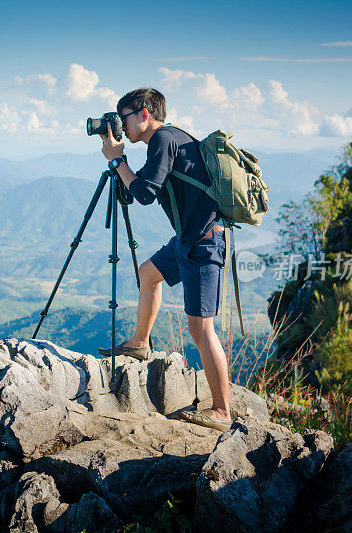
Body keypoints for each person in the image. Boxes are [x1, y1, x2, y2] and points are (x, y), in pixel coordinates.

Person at [98, 87, 232, 431]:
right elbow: (141, 187)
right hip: (188, 239)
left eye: (122, 117)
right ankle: (140, 343)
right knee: (148, 273)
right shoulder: (171, 140)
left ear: (144, 113)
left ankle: (221, 411)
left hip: (204, 243)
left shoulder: (162, 139)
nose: (120, 125)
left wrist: (117, 161)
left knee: (200, 328)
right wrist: (122, 168)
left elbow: (143, 193)